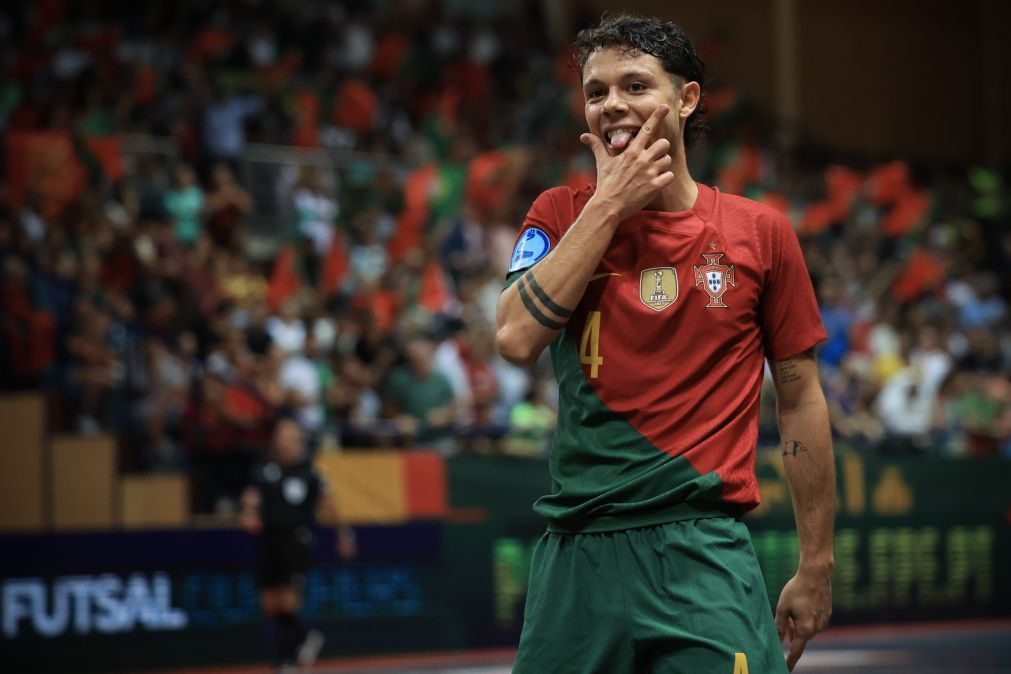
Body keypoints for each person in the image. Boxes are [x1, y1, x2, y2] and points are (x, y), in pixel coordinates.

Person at [495, 14, 834, 674]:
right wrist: (607, 207)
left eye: (634, 85)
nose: (612, 104)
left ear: (686, 99)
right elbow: (512, 337)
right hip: (577, 554)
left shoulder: (759, 234)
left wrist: (815, 563)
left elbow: (799, 398)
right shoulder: (560, 213)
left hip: (701, 552)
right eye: (596, 93)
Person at [240, 417, 357, 671]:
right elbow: (251, 496)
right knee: (269, 602)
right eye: (281, 438)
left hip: (296, 540)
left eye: (291, 439)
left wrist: (344, 534)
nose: (285, 444)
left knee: (288, 599)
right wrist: (250, 512)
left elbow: (329, 505)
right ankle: (300, 642)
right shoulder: (264, 469)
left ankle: (289, 656)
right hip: (268, 539)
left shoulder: (310, 473)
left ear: (299, 442)